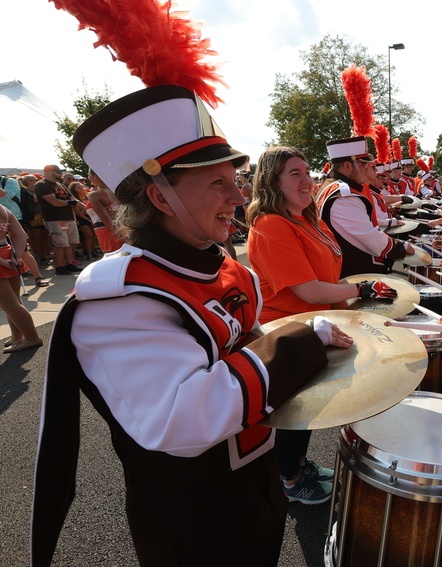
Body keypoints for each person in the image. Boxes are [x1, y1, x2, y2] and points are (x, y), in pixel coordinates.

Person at [30, 85, 352, 567]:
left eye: (235, 180)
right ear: (160, 196)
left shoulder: (222, 264)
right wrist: (302, 339)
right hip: (194, 513)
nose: (239, 196)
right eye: (217, 183)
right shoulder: (119, 297)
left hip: (254, 475)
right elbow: (182, 418)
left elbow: (246, 343)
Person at [247, 146, 394, 505]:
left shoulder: (309, 218)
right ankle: (290, 479)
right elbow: (308, 290)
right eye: (294, 174)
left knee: (309, 408)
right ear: (272, 181)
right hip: (287, 333)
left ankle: (299, 464)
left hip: (317, 327)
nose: (306, 179)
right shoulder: (271, 225)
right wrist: (360, 289)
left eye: (307, 170)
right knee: (291, 411)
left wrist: (355, 310)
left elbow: (326, 277)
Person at [316, 135, 413, 277]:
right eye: (363, 165)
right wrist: (401, 247)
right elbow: (368, 236)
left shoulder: (333, 186)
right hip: (354, 273)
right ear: (347, 166)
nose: (366, 169)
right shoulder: (344, 195)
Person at [0, 204, 43, 353]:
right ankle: (17, 336)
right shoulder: (4, 209)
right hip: (6, 251)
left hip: (4, 258)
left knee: (9, 303)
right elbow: (20, 235)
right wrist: (14, 255)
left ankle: (31, 338)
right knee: (13, 301)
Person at [34, 165, 84, 276]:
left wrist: (78, 206)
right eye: (57, 172)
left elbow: (72, 199)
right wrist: (72, 203)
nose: (60, 174)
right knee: (61, 244)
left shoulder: (60, 185)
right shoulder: (41, 185)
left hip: (68, 217)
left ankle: (69, 263)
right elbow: (53, 201)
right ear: (48, 171)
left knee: (71, 242)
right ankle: (60, 266)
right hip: (55, 219)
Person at [85, 169, 124, 253]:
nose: (88, 178)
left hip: (107, 230)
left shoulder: (94, 195)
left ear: (96, 177)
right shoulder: (117, 191)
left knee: (113, 258)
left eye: (89, 175)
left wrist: (121, 236)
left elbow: (105, 219)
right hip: (122, 227)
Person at [68, 181, 99, 260]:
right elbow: (77, 212)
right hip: (81, 218)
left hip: (90, 216)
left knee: (93, 235)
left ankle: (93, 251)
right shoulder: (74, 199)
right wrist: (88, 220)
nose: (82, 189)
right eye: (79, 187)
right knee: (89, 235)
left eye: (82, 187)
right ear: (74, 189)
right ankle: (89, 253)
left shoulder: (87, 196)